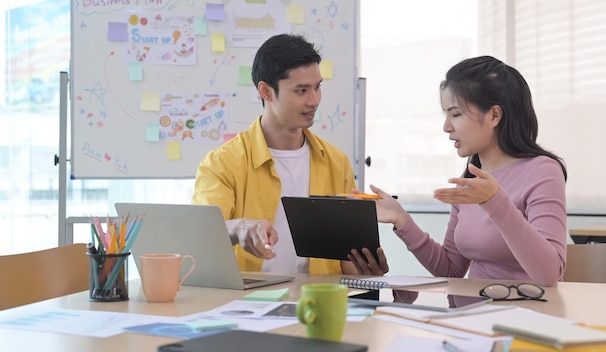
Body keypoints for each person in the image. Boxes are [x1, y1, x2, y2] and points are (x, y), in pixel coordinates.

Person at [350, 56, 567, 286]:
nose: (446, 127)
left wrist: (495, 200)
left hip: (525, 317)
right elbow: (451, 270)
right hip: (468, 316)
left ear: (494, 115)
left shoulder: (542, 171)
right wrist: (401, 219)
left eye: (455, 114)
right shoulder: (468, 180)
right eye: (445, 114)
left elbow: (550, 273)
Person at [192, 34, 360, 275]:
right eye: (301, 90)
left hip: (320, 301)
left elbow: (347, 259)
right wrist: (240, 227)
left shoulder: (336, 162)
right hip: (245, 304)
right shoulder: (222, 163)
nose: (314, 100)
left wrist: (371, 271)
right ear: (266, 91)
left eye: (317, 87)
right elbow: (201, 231)